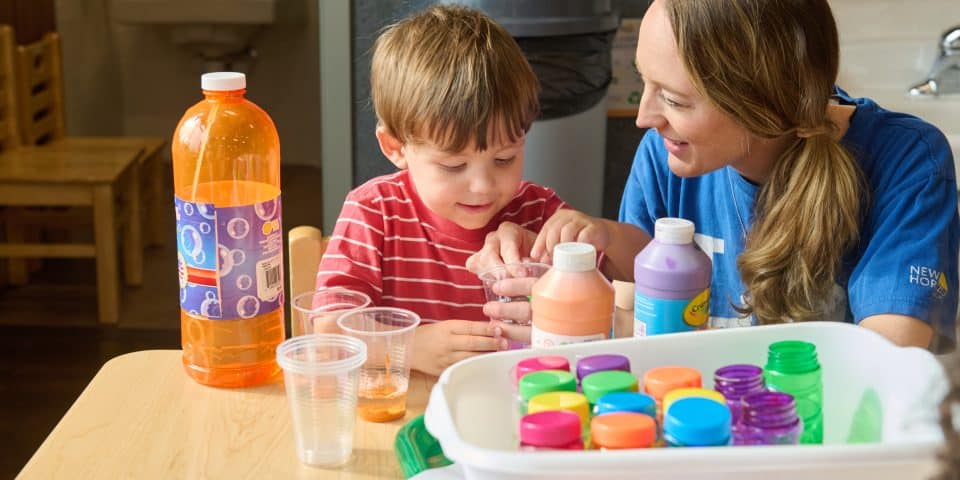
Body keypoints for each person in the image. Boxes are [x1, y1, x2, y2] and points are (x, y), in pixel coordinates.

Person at [467, 0, 959, 349]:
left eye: (675, 100)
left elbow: (888, 360)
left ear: (758, 103)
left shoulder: (906, 161)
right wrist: (566, 306)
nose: (644, 117)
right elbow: (638, 329)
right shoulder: (665, 157)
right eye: (643, 83)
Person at [316, 5, 567, 376]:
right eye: (453, 166)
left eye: (504, 159)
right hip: (409, 408)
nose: (482, 186)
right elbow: (327, 330)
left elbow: (607, 306)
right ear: (396, 148)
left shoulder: (541, 213)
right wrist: (410, 346)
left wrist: (578, 242)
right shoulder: (374, 212)